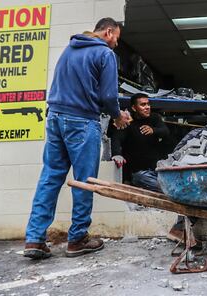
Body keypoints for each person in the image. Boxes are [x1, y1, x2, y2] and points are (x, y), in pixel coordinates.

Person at [24, 18, 132, 260]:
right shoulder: (104, 54)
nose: (116, 42)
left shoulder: (69, 49)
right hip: (82, 121)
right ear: (108, 32)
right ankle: (77, 239)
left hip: (55, 118)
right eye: (116, 37)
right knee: (85, 180)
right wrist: (118, 117)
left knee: (50, 176)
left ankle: (34, 238)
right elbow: (107, 95)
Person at [108, 93, 195, 243]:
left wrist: (154, 130)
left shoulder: (154, 118)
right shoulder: (128, 122)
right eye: (142, 104)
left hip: (158, 170)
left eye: (148, 104)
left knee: (182, 190)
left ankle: (180, 229)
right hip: (140, 174)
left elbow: (165, 131)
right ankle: (179, 230)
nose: (147, 107)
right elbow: (116, 138)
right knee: (175, 193)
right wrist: (117, 154)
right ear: (134, 108)